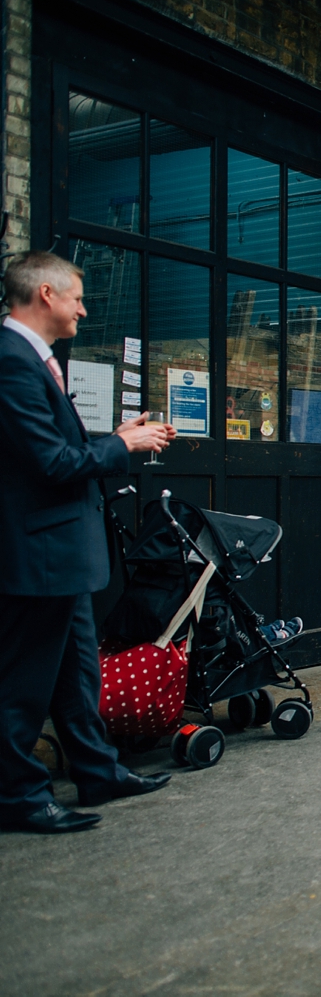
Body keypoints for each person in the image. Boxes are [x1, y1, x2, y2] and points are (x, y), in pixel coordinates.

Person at [0, 251, 175, 834]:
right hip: (40, 554)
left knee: (78, 673)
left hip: (64, 554)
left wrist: (115, 436)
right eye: (76, 296)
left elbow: (54, 449)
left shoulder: (35, 358)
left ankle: (98, 769)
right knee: (24, 684)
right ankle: (17, 796)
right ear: (44, 295)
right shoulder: (12, 361)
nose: (82, 307)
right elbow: (50, 463)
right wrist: (121, 449)